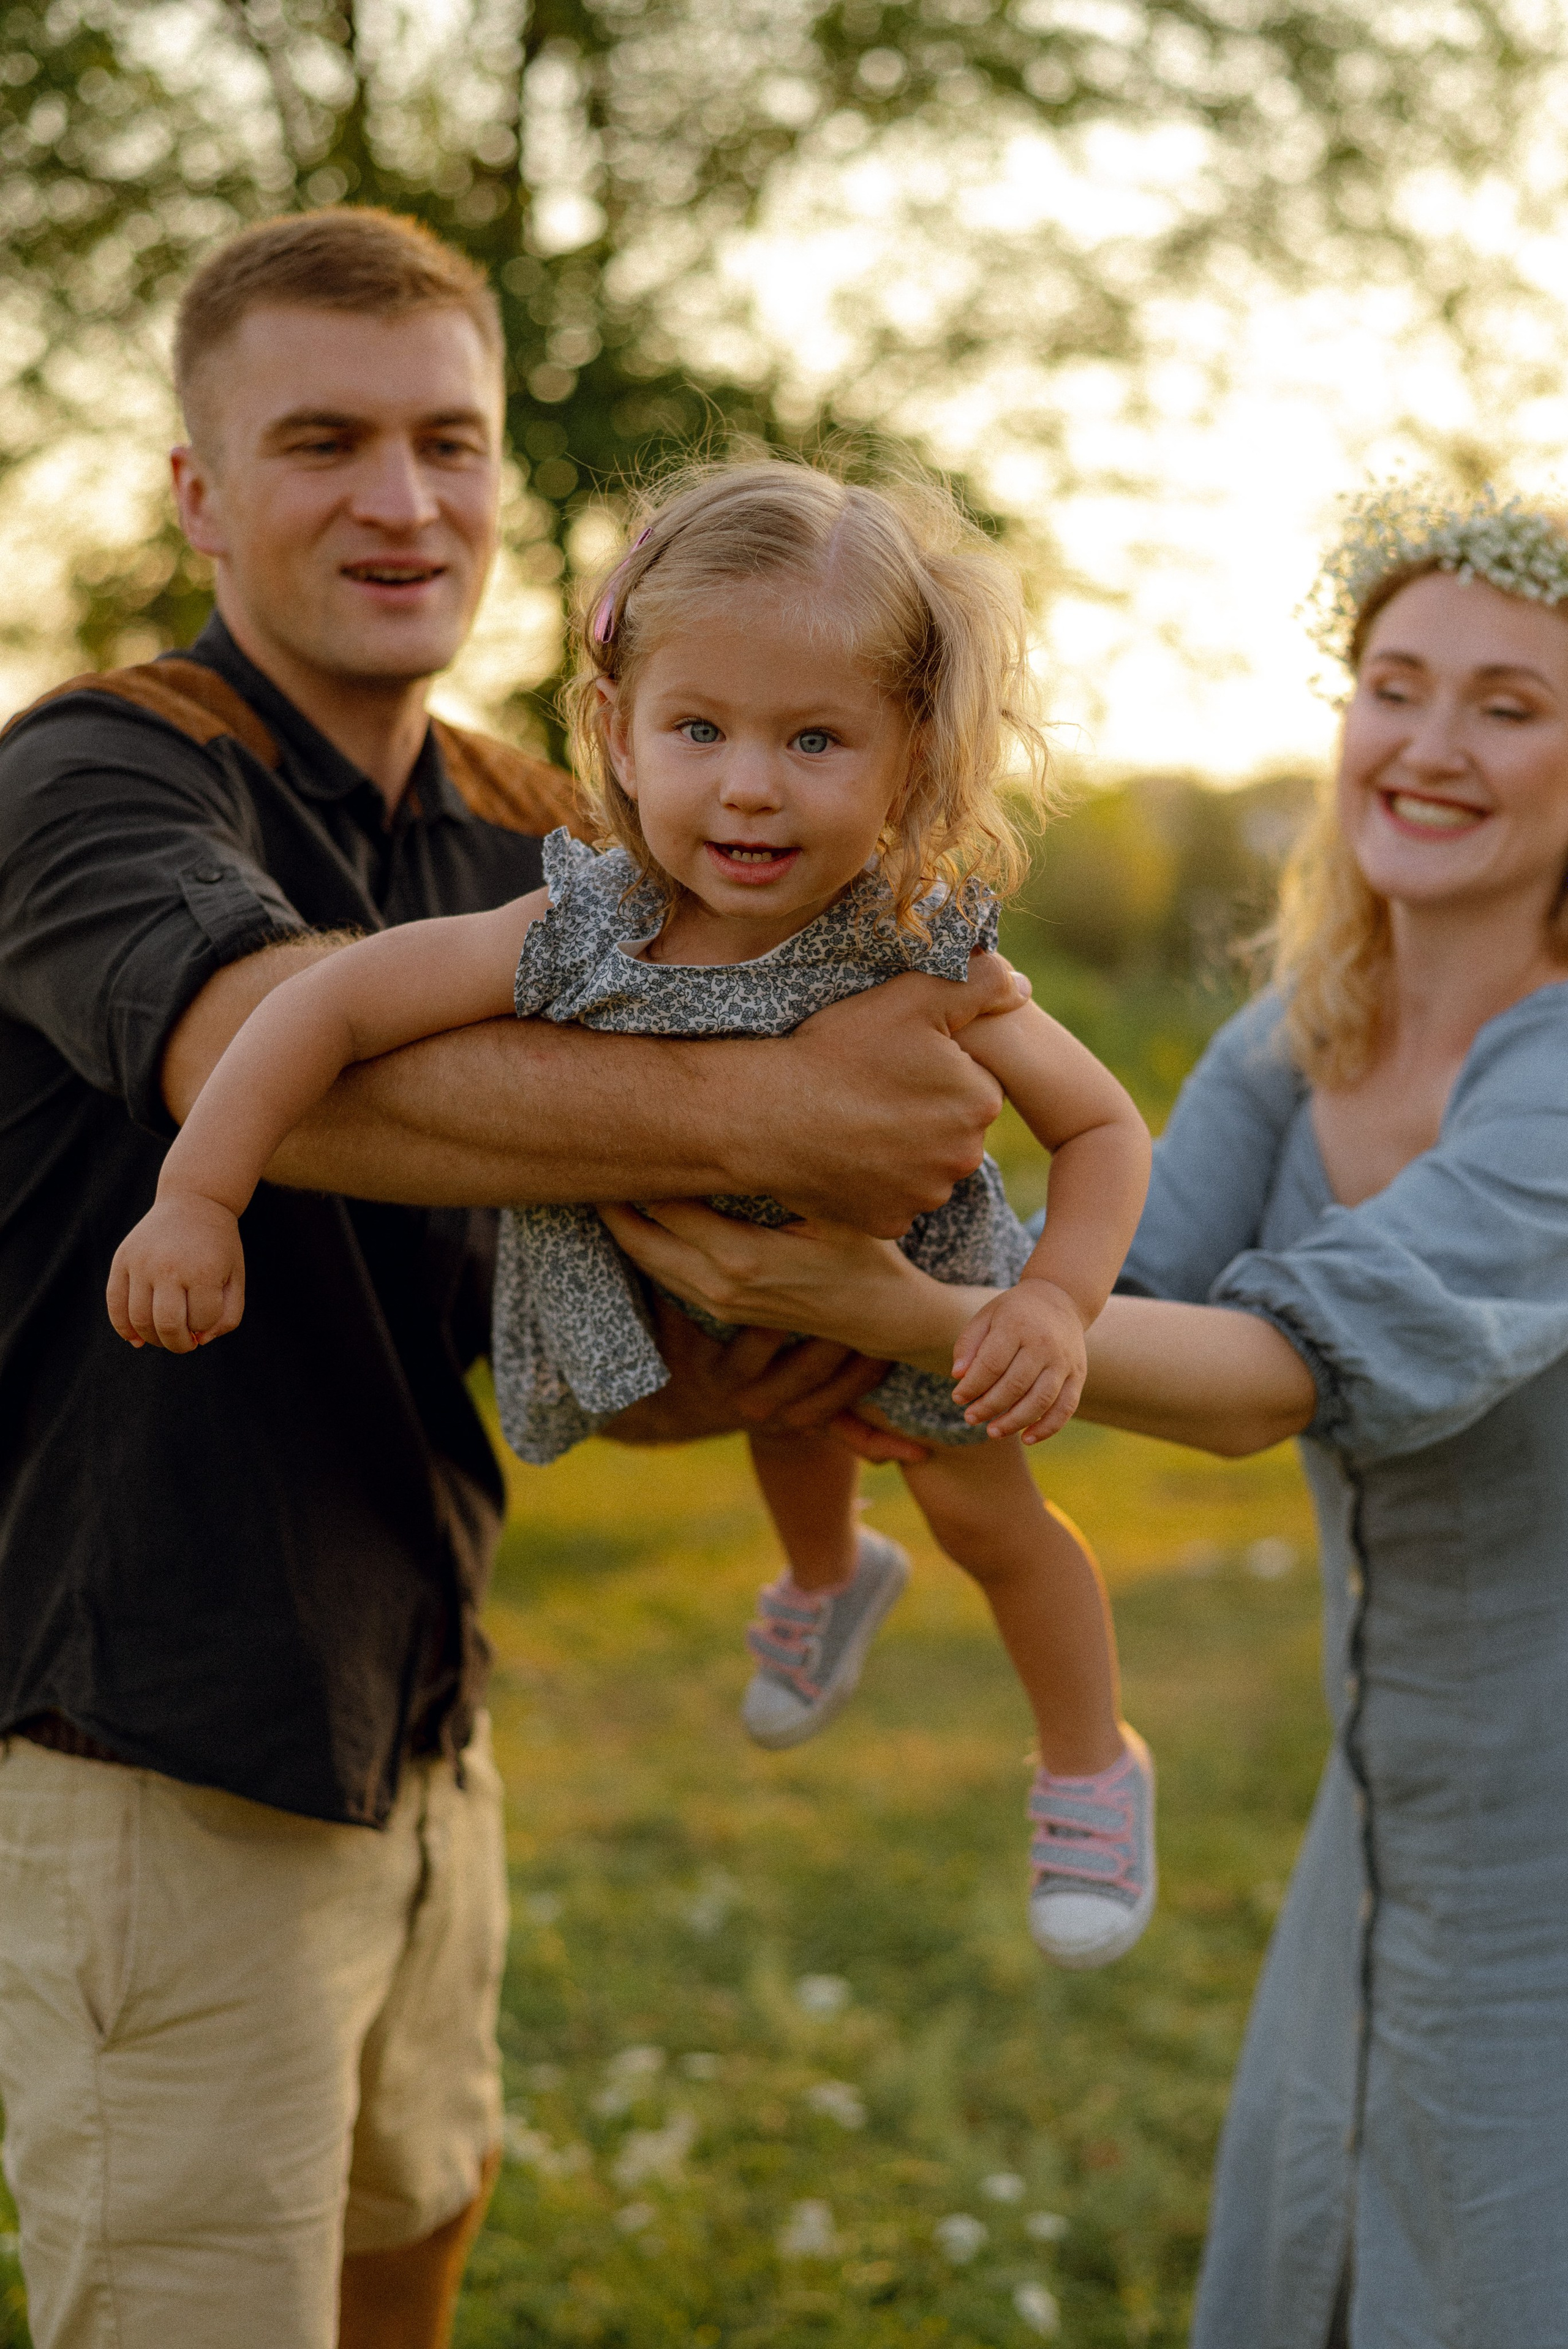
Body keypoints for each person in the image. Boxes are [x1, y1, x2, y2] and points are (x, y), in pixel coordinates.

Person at [0, 211, 1019, 2349]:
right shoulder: (86, 774)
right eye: (322, 441)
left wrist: (824, 1327)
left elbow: (560, 1287)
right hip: (149, 1720)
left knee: (411, 2238)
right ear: (196, 490)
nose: (403, 501)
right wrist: (776, 1123)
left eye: (449, 442)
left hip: (422, 1694)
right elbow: (257, 1049)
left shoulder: (543, 827)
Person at [609, 482, 1568, 2348]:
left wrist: (894, 1308)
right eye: (1395, 685)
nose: (1429, 747)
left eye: (1510, 706)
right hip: (1392, 1818)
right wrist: (844, 1267)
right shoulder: (1305, 1032)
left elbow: (1271, 1378)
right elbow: (1104, 1290)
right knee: (1340, 2251)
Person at [108, 458, 1158, 1971]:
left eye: (813, 738)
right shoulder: (581, 924)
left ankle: (1085, 1763)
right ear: (616, 729)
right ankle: (821, 1578)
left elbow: (1102, 1124)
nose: (748, 783)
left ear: (908, 752)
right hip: (722, 1312)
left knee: (984, 1518)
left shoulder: (918, 946)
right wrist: (198, 1196)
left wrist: (1052, 1300)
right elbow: (329, 1002)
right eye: (699, 729)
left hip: (907, 1284)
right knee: (781, 1420)